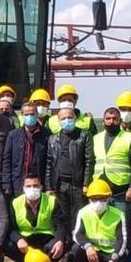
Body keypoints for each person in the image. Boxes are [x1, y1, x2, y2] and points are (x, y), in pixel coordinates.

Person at [92, 106, 131, 262]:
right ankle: (104, 260)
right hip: (100, 193)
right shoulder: (96, 138)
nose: (111, 121)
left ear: (120, 121)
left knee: (123, 228)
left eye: (115, 118)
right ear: (103, 120)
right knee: (104, 227)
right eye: (108, 118)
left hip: (121, 191)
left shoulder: (128, 137)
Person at [46, 106, 94, 253]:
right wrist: (49, 187)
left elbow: (89, 161)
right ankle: (65, 249)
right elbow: (49, 163)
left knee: (78, 217)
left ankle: (77, 250)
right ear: (58, 121)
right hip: (60, 185)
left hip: (78, 184)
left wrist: (86, 183)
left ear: (75, 118)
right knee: (63, 217)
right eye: (63, 118)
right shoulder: (53, 139)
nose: (67, 120)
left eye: (70, 117)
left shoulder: (84, 136)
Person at [5, 173, 66, 262]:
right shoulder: (15, 203)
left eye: (35, 186)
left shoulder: (51, 201)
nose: (32, 189)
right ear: (23, 188)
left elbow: (59, 225)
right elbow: (11, 228)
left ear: (41, 187)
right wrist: (19, 239)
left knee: (65, 241)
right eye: (28, 186)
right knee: (6, 244)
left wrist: (60, 240)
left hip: (45, 239)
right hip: (26, 242)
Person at [71, 179, 124, 262]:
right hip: (92, 254)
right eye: (94, 199)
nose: (98, 203)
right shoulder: (83, 212)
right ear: (89, 199)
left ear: (108, 198)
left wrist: (114, 259)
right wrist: (88, 247)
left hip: (110, 255)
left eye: (102, 199)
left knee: (124, 256)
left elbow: (121, 240)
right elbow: (77, 234)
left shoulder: (118, 215)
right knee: (76, 249)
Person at [2, 101, 49, 197]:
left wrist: (48, 186)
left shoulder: (46, 134)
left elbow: (50, 161)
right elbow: (7, 160)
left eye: (32, 114)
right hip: (18, 183)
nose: (30, 117)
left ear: (37, 115)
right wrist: (7, 183)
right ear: (22, 115)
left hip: (38, 183)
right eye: (26, 114)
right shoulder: (13, 135)